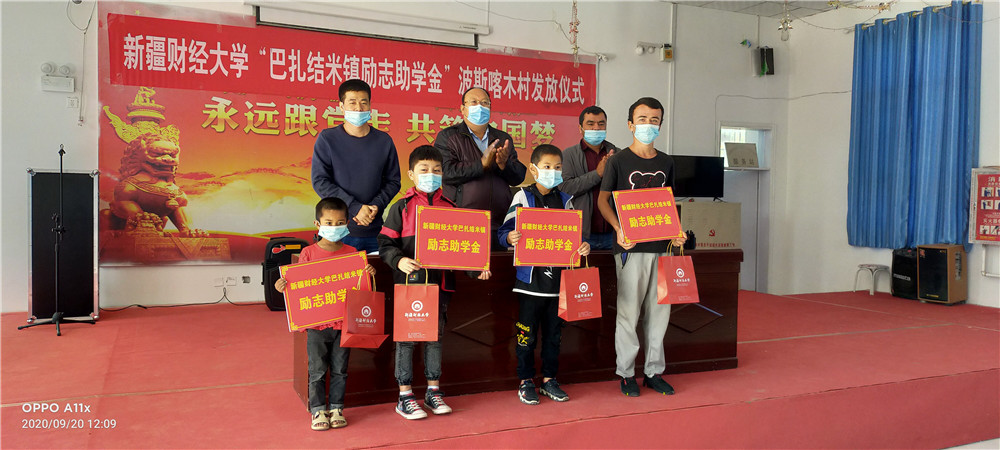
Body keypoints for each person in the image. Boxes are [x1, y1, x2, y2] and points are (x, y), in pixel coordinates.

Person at [378, 145, 492, 420]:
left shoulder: (451, 207)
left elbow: (462, 250)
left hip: (440, 287)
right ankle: (405, 395)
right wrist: (398, 261)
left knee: (435, 339)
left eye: (437, 170)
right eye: (424, 170)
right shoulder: (401, 208)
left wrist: (477, 270)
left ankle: (433, 391)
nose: (431, 174)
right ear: (411, 174)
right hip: (410, 287)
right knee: (406, 340)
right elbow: (385, 243)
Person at [597, 97, 686, 397]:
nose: (649, 125)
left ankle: (653, 372)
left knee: (660, 313)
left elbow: (668, 202)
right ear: (630, 124)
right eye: (643, 119)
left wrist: (676, 232)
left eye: (655, 120)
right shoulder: (618, 161)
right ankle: (626, 374)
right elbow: (603, 201)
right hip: (630, 248)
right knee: (628, 313)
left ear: (661, 124)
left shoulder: (667, 162)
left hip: (663, 247)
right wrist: (618, 228)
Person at [497, 144, 591, 405]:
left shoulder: (566, 200)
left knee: (553, 337)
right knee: (526, 336)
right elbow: (503, 232)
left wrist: (583, 246)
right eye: (547, 167)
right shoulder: (522, 197)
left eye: (558, 167)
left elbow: (575, 237)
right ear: (534, 169)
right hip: (530, 283)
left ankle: (549, 379)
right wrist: (509, 238)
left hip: (559, 284)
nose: (553, 172)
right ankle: (526, 380)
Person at [274, 197, 376, 430]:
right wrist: (283, 286)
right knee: (317, 370)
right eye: (328, 223)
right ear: (317, 224)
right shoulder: (308, 253)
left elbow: (361, 289)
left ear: (348, 223)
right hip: (317, 326)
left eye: (339, 223)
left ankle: (337, 408)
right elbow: (298, 287)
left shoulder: (353, 253)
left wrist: (368, 274)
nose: (334, 227)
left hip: (344, 323)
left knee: (340, 369)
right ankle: (318, 411)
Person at [312, 79, 401, 254]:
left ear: (370, 105)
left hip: (375, 230)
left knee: (376, 272)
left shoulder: (384, 141)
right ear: (341, 106)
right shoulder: (327, 139)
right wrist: (354, 208)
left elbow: (393, 181)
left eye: (363, 102)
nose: (358, 108)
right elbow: (320, 181)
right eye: (352, 102)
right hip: (339, 233)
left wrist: (375, 206)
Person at [435, 87, 527, 248]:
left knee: (498, 264)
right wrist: (481, 164)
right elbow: (446, 172)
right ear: (463, 109)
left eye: (485, 103)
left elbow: (518, 177)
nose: (480, 106)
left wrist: (504, 165)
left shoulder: (502, 138)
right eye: (474, 102)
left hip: (499, 224)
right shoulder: (449, 136)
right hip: (462, 224)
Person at [561, 105, 618, 250]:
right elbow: (565, 188)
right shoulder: (568, 155)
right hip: (582, 233)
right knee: (582, 265)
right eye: (590, 124)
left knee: (613, 266)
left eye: (601, 124)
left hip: (613, 232)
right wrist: (597, 174)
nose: (596, 128)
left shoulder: (618, 154)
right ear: (580, 128)